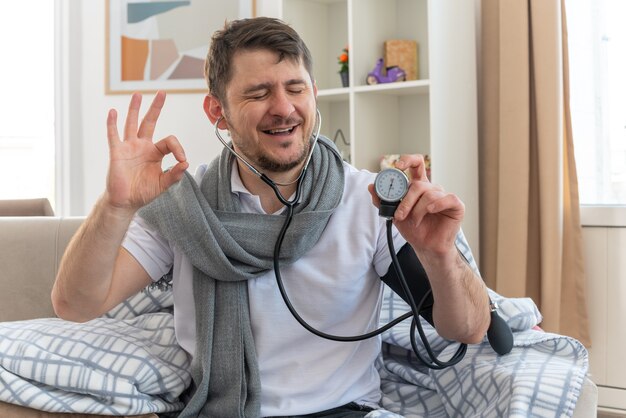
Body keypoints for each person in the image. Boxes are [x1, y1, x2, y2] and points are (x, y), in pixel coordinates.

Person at [51, 17, 490, 418]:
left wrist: (440, 253)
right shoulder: (183, 205)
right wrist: (116, 205)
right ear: (216, 112)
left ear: (314, 93)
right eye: (259, 93)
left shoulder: (368, 198)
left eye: (295, 88)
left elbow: (468, 329)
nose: (283, 108)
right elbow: (76, 304)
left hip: (342, 411)